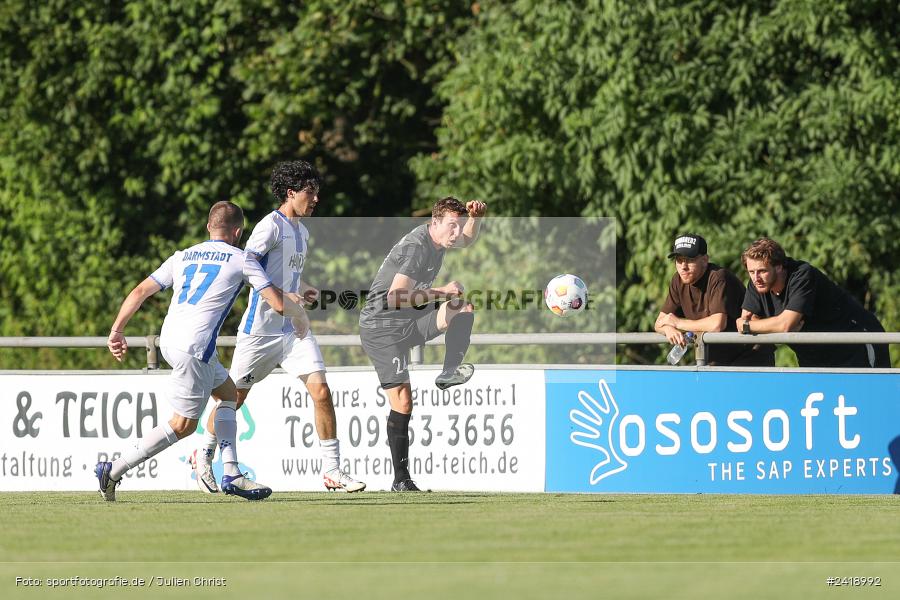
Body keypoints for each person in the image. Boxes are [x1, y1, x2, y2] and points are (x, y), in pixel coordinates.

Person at [96, 201, 307, 501]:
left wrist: (117, 330)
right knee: (182, 425)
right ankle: (113, 469)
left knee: (228, 394)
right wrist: (299, 314)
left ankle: (231, 471)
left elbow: (140, 291)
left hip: (170, 340)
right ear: (238, 232)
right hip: (195, 346)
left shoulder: (182, 256)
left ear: (209, 227)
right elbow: (275, 301)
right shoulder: (242, 258)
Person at [191, 161, 365, 494]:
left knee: (322, 391)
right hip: (260, 332)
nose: (315, 200)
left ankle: (332, 471)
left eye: (316, 194)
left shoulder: (303, 231)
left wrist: (304, 288)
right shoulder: (270, 225)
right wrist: (282, 295)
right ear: (290, 193)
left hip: (292, 331)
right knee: (233, 400)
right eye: (310, 194)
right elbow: (247, 265)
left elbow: (286, 277)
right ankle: (204, 454)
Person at [359, 197, 487, 491]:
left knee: (462, 308)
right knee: (403, 401)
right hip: (382, 327)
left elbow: (466, 240)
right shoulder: (417, 248)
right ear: (435, 223)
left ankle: (449, 372)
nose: (456, 232)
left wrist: (475, 218)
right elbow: (395, 297)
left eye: (458, 224)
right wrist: (441, 290)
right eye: (451, 226)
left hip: (408, 319)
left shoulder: (440, 239)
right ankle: (400, 480)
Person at [738, 237, 890, 368]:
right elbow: (745, 320)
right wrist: (757, 325)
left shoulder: (802, 274)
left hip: (856, 346)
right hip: (813, 356)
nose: (756, 277)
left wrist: (756, 326)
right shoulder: (757, 284)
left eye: (762, 271)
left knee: (869, 399)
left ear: (778, 267)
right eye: (751, 272)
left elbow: (785, 325)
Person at [655, 234, 774, 366]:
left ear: (705, 260)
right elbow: (659, 322)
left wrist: (677, 324)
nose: (683, 266)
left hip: (751, 357)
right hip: (715, 362)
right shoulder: (678, 280)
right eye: (679, 260)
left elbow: (717, 324)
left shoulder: (719, 277)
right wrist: (668, 329)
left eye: (689, 260)